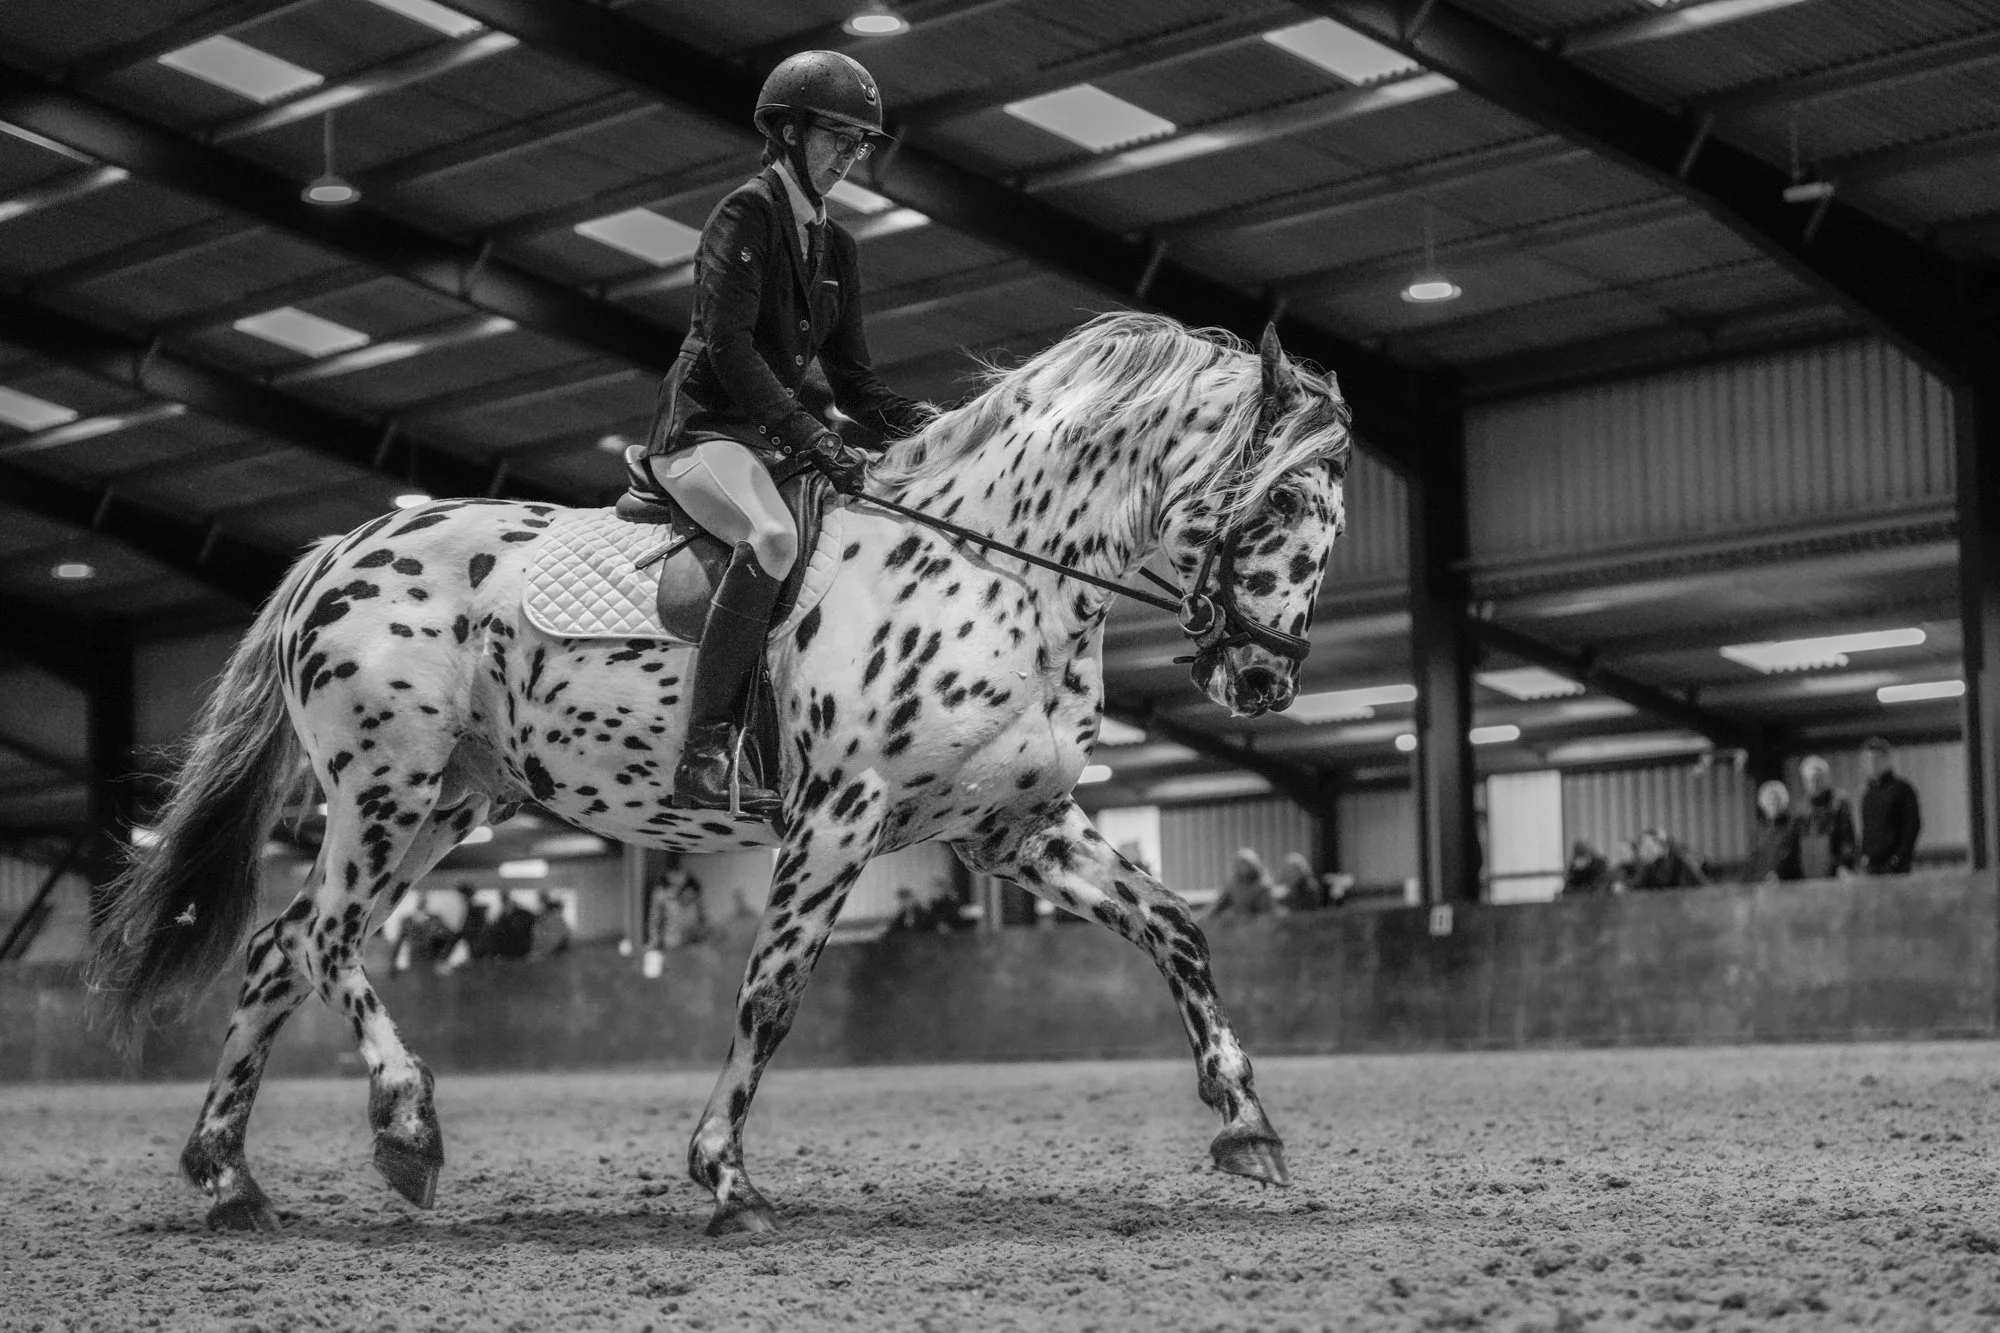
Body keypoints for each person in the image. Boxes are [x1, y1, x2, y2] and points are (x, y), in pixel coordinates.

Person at [628, 50, 932, 813]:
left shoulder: (839, 246)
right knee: (772, 539)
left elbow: (855, 382)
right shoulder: (747, 212)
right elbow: (727, 347)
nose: (848, 158)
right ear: (790, 131)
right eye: (837, 137)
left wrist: (939, 428)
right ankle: (704, 752)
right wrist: (813, 436)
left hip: (767, 441)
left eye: (859, 145)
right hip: (703, 430)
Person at [1858, 737, 1922, 874]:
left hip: (1896, 867)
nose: (1872, 764)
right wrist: (1864, 856)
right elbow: (1866, 830)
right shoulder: (1868, 794)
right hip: (1871, 867)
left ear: (1887, 759)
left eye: (1877, 759)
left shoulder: (1903, 790)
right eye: (1868, 760)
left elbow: (1912, 826)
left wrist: (1899, 858)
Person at [1795, 754, 1858, 879]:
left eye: (1819, 778)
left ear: (1826, 778)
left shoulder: (1839, 802)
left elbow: (1848, 838)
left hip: (1836, 873)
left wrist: (1845, 864)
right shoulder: (1801, 809)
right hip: (1809, 874)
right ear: (1805, 781)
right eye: (1811, 779)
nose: (1815, 783)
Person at [1743, 779, 1801, 882]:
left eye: (1776, 799)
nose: (1773, 803)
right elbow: (1753, 858)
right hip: (1761, 882)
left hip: (1786, 882)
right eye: (1769, 800)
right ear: (1762, 803)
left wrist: (1777, 874)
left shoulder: (1792, 825)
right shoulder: (1758, 829)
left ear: (1784, 801)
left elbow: (1790, 855)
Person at [1209, 848, 1278, 918]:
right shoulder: (1233, 886)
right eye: (1239, 864)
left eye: (1245, 863)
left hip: (1258, 922)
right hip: (1238, 923)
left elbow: (1267, 911)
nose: (1243, 867)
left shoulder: (1263, 886)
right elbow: (1218, 907)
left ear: (1254, 865)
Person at [1629, 828, 1706, 890]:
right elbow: (1636, 885)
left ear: (1661, 845)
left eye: (1649, 848)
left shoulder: (1682, 861)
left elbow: (1700, 886)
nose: (1644, 852)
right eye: (1643, 848)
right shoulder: (1650, 865)